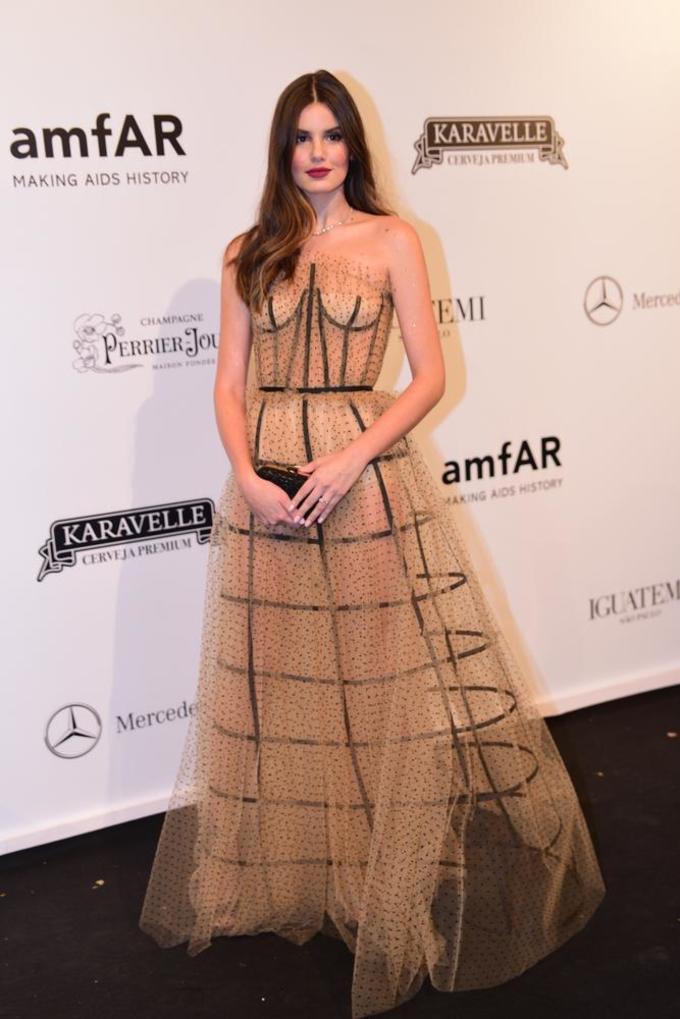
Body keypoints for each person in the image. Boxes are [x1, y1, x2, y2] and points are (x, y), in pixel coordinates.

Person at [139, 69, 606, 1019]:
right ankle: (284, 869)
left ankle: (370, 877)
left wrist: (353, 455)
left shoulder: (395, 239)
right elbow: (228, 382)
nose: (317, 152)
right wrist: (248, 476)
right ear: (282, 149)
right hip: (268, 484)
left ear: (353, 145)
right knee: (273, 685)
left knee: (371, 677)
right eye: (301, 136)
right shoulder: (246, 252)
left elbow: (427, 376)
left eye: (332, 134)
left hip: (363, 482)